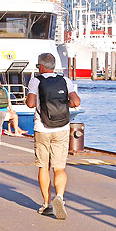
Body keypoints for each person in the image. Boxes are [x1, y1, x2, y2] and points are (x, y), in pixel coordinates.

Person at [26, 52, 81, 220]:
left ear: (41, 66)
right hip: (62, 128)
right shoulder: (65, 81)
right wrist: (65, 103)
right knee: (59, 167)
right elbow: (76, 102)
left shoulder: (36, 80)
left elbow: (30, 104)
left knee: (44, 166)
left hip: (42, 128)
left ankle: (46, 204)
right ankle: (60, 197)